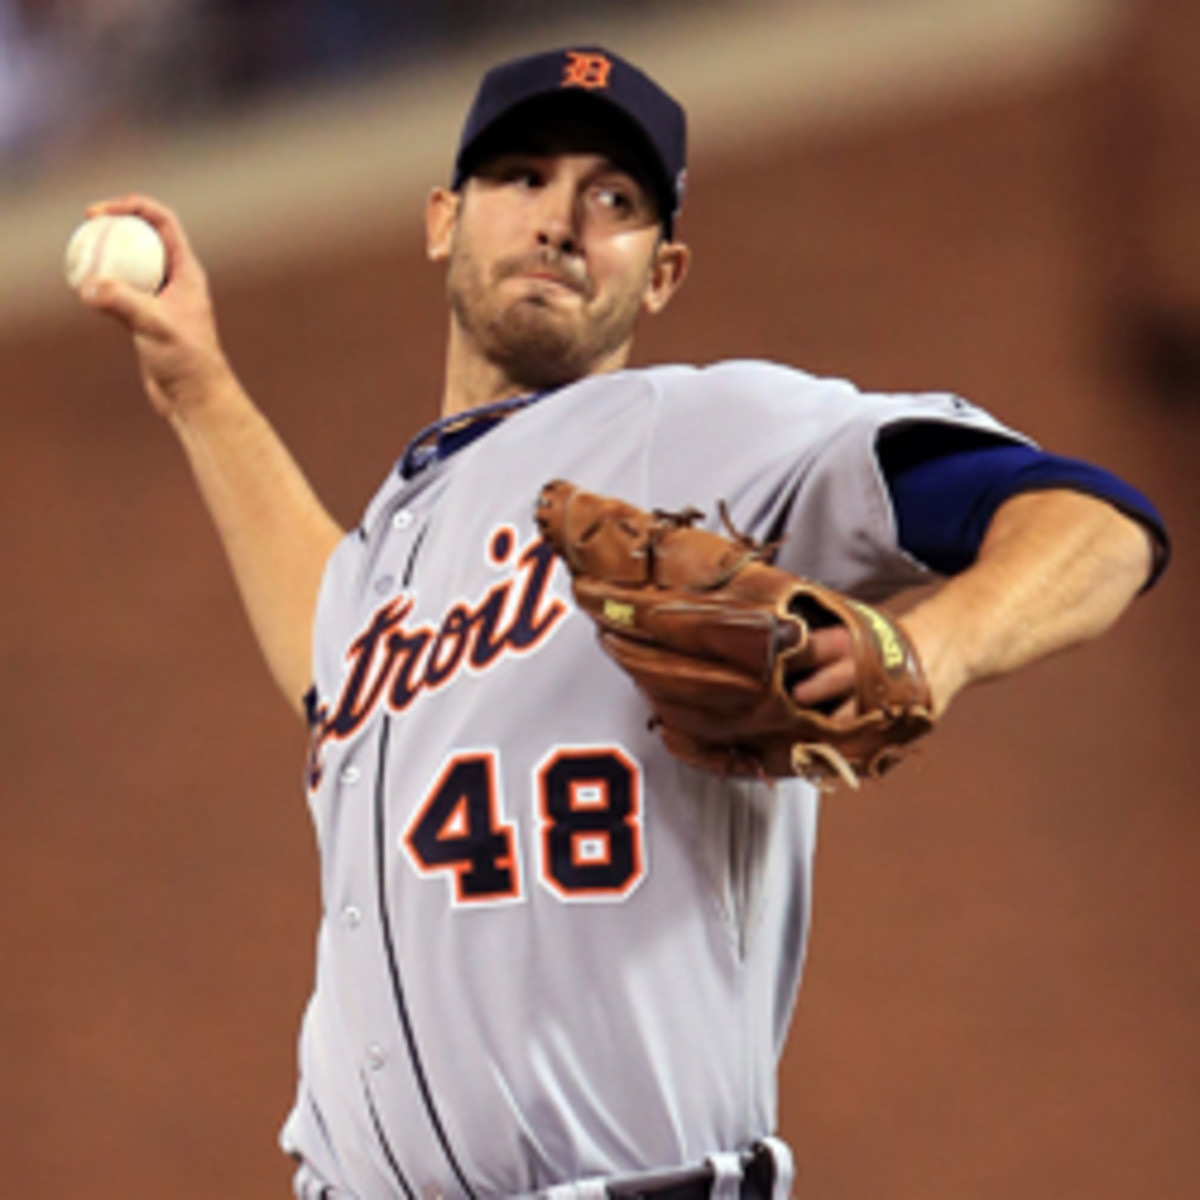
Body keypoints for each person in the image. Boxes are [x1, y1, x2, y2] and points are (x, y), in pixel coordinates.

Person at [78, 45, 1167, 1200]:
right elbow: (334, 658)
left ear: (662, 274)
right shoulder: (399, 539)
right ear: (444, 219)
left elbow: (1100, 524)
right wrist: (199, 388)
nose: (561, 220)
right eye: (523, 178)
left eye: (614, 199)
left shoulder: (700, 429)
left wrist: (932, 648)